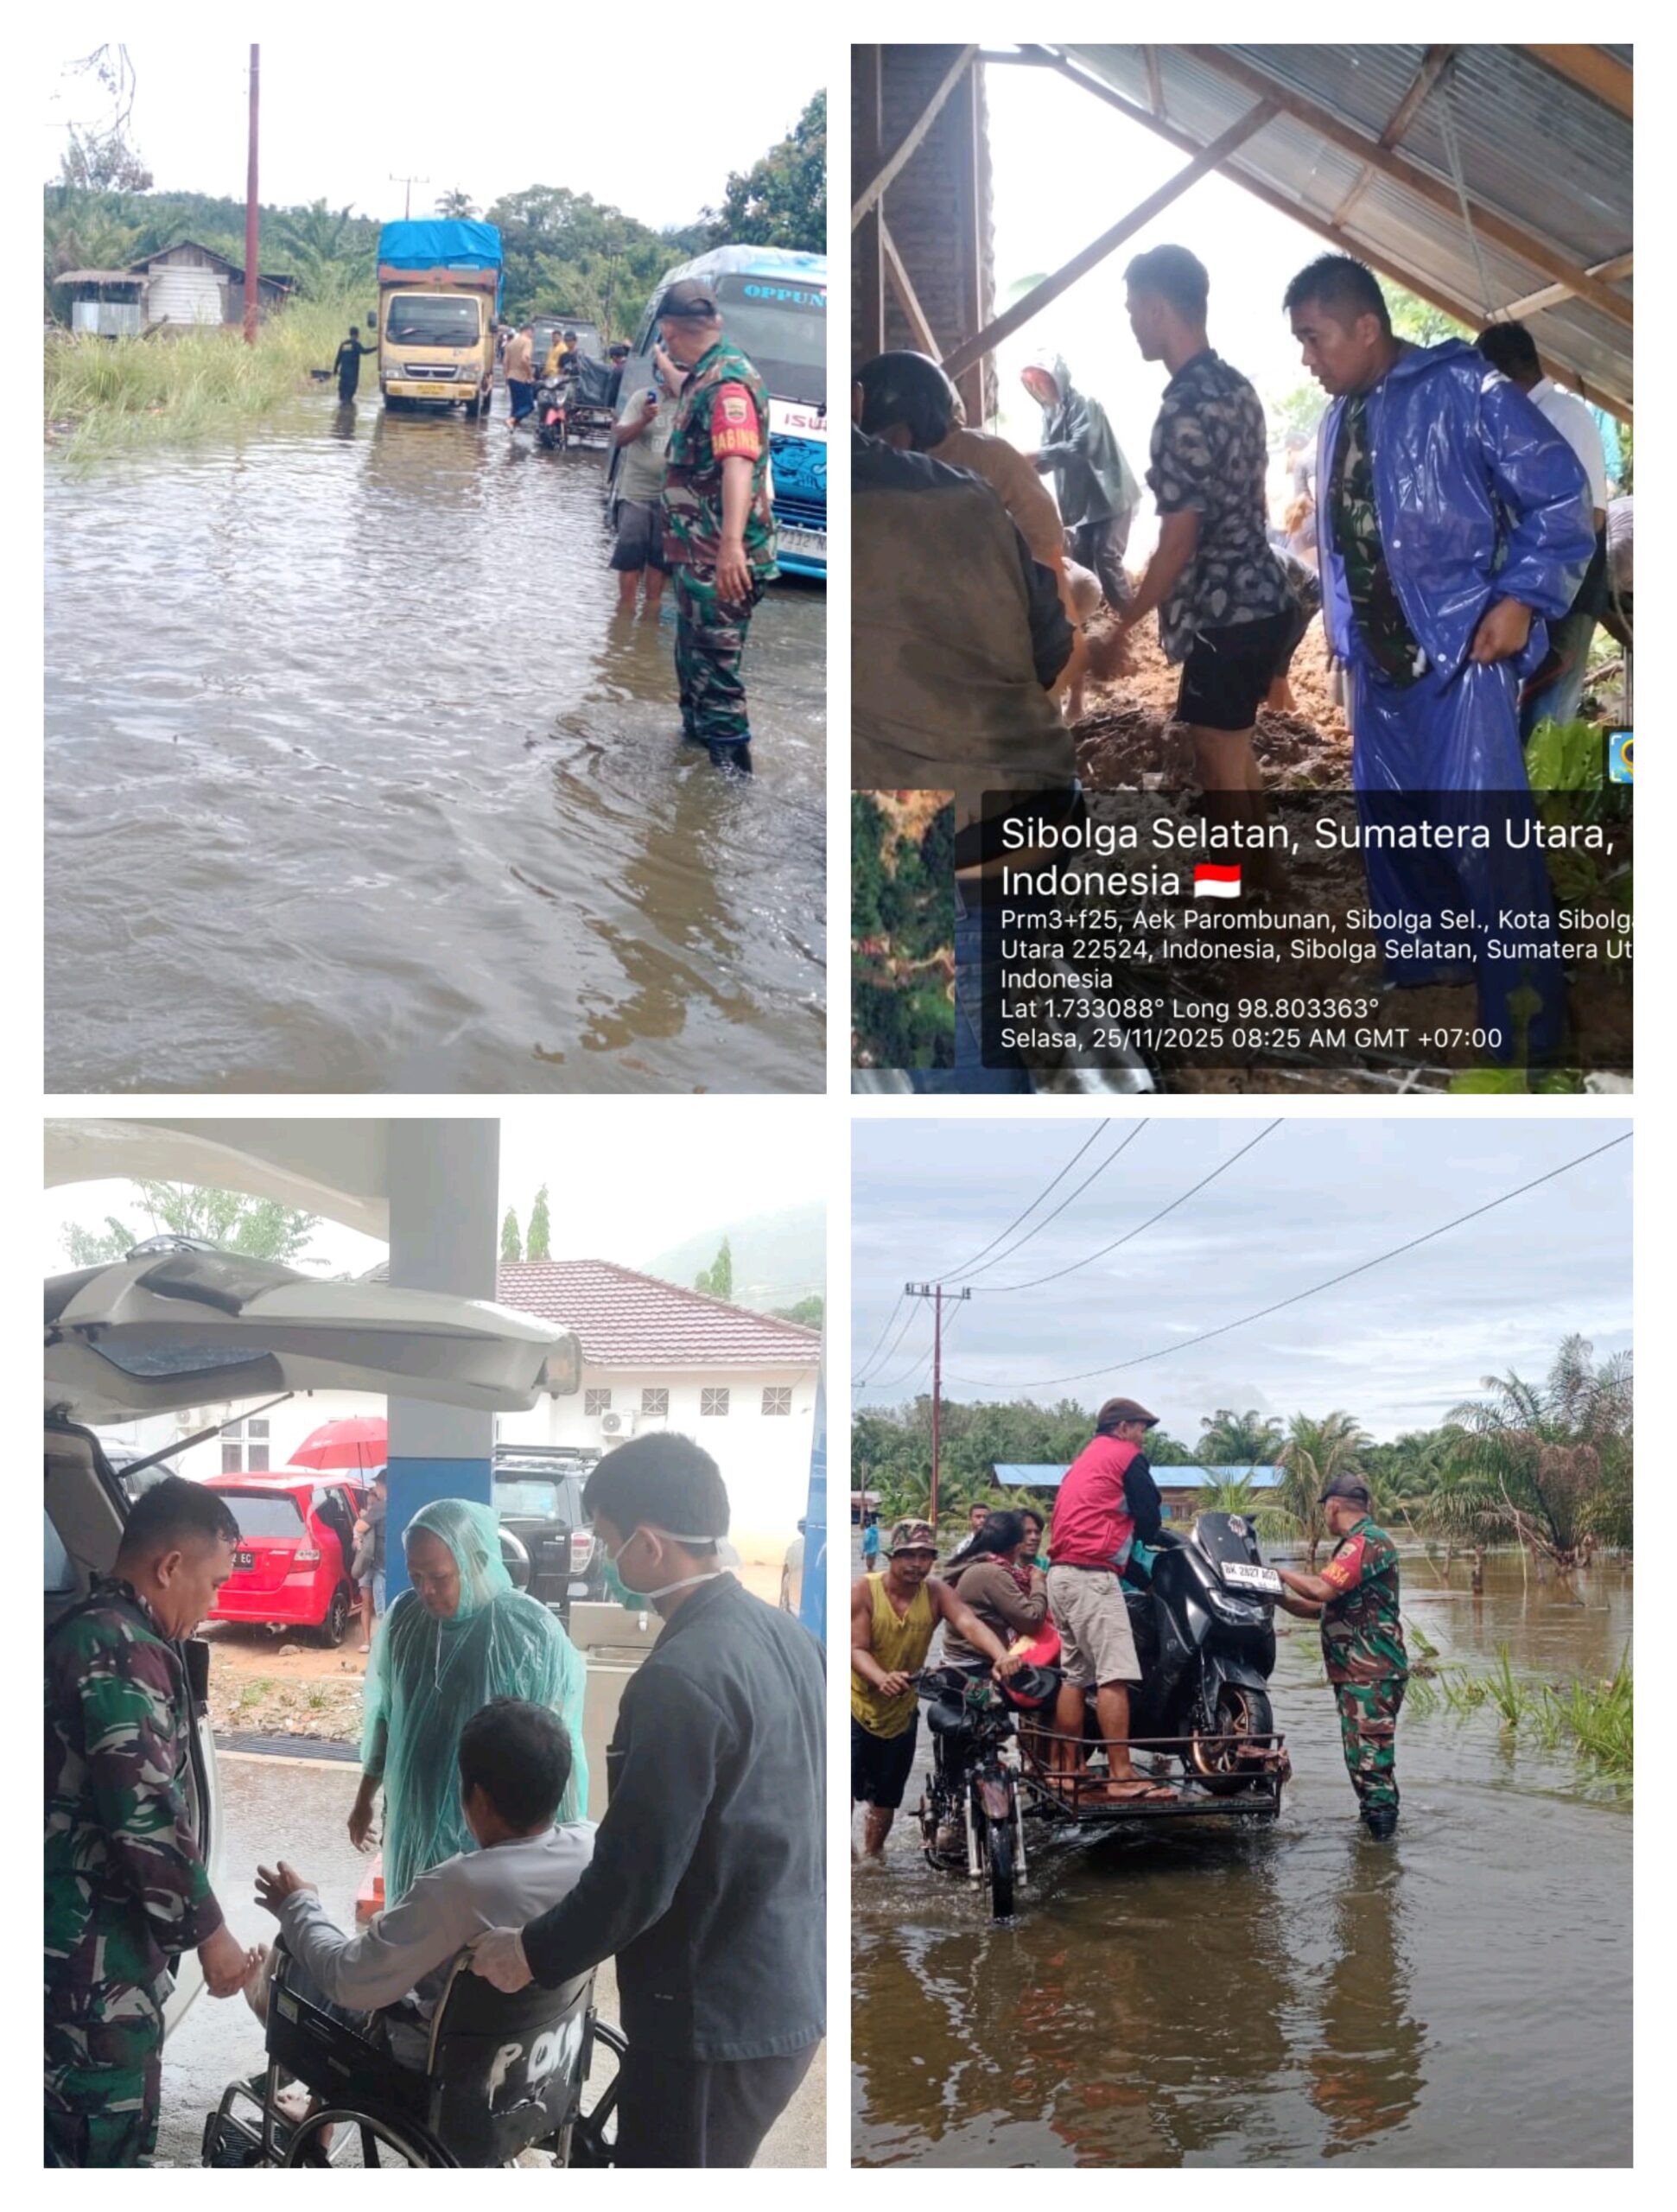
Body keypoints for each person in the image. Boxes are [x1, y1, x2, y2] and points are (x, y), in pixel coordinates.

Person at [466, 1435, 824, 2170]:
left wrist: (528, 1953)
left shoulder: (679, 1679)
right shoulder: (789, 1637)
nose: (602, 1556)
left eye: (604, 1537)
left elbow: (638, 1873)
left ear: (650, 1545)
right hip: (785, 1985)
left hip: (710, 2015)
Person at [1285, 253, 1593, 1062]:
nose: (1306, 359)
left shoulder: (1463, 389)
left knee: (1487, 843)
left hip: (1459, 650)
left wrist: (1521, 596)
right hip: (1381, 666)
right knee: (1396, 822)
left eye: (1314, 340)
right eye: (1299, 344)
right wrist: (1343, 635)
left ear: (1364, 327)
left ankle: (1526, 1026)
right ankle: (1429, 961)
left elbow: (1559, 496)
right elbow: (1347, 539)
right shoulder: (1336, 419)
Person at [47, 1478, 263, 2166]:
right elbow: (144, 1814)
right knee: (97, 2142)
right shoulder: (117, 1648)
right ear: (170, 1566)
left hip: (82, 1948)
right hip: (89, 1970)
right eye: (215, 1583)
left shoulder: (99, 1630)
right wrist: (211, 1935)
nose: (214, 1603)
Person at [251, 1700, 594, 2068]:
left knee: (293, 1955)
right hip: (543, 2058)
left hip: (434, 2074)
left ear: (478, 1800)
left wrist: (299, 1904)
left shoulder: (458, 1889)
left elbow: (347, 1980)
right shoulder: (594, 1851)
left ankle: (255, 1987)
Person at [1115, 244, 1295, 825]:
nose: (1129, 325)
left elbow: (1176, 542)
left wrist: (1122, 623)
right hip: (1263, 600)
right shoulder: (1236, 389)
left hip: (1224, 617)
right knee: (1233, 755)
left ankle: (1228, 901)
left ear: (1155, 309)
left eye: (1130, 310)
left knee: (1216, 770)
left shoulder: (1182, 410)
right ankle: (1266, 884)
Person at [349, 1498, 588, 1906]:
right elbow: (386, 1715)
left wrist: (559, 1863)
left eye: (439, 1576)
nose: (426, 1590)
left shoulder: (527, 1632)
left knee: (479, 1952)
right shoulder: (406, 1620)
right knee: (412, 1939)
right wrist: (364, 1798)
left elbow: (555, 1750)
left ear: (476, 1559)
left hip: (496, 1839)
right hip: (414, 1816)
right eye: (415, 1575)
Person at [657, 279, 779, 773]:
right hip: (699, 558)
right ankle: (691, 798)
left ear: (667, 329)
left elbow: (738, 463)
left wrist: (730, 548)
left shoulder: (728, 385)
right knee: (695, 671)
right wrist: (665, 369)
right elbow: (683, 387)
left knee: (719, 682)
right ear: (717, 324)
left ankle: (730, 802)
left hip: (719, 562)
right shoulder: (706, 376)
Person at [850, 1518, 1022, 1860]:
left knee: (886, 1798)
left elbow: (968, 1622)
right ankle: (848, 1864)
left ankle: (873, 1862)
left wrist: (1001, 1655)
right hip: (855, 1706)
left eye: (925, 1556)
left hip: (901, 1709)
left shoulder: (936, 1592)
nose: (917, 1565)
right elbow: (854, 1648)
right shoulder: (864, 1591)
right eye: (908, 1556)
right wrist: (881, 1677)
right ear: (891, 1556)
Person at [1475, 320, 1610, 739]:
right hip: (1528, 596)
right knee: (1522, 714)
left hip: (1564, 598)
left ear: (1501, 374)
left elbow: (1591, 517)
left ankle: (1543, 805)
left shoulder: (1567, 417)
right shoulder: (1522, 419)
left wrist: (1539, 584)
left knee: (1545, 721)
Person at [1045, 1397, 1175, 1802]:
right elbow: (1149, 1515)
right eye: (1141, 1428)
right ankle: (1122, 1775)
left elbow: (1096, 1525)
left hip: (1061, 1576)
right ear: (1122, 1428)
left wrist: (1139, 1576)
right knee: (1114, 1675)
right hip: (1091, 1579)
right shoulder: (1125, 1456)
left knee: (1075, 1674)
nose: (1143, 1438)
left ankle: (1069, 1770)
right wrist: (1157, 1537)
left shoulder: (1086, 1460)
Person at [1271, 1476, 1408, 1838]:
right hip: (1358, 1671)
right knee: (1360, 1761)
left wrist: (1278, 1573)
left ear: (1333, 1505)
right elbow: (1320, 1606)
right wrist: (1276, 1597)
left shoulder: (1366, 1542)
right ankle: (1374, 1845)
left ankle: (1380, 1861)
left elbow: (1321, 1588)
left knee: (1370, 1763)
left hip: (1371, 1671)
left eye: (1325, 1511)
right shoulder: (1358, 1545)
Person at [1021, 353, 1142, 607]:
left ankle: (1129, 619)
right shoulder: (1049, 416)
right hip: (1085, 508)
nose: (1039, 385)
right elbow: (1046, 461)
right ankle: (1089, 622)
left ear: (1057, 377)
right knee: (1081, 562)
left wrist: (1035, 456)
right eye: (1033, 380)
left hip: (1111, 496)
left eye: (1043, 378)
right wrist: (1018, 465)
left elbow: (1081, 447)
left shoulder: (1084, 404)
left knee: (1106, 555)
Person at [609, 350, 678, 614]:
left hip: (670, 497)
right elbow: (621, 438)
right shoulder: (641, 398)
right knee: (629, 557)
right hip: (636, 493)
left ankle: (651, 615)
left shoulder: (691, 403)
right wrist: (644, 419)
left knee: (659, 561)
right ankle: (625, 614)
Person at [941, 1511, 1049, 1669]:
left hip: (964, 1657)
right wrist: (1038, 1583)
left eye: (1037, 1532)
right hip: (976, 1662)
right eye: (1027, 1533)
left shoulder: (976, 1561)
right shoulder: (992, 1573)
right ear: (1017, 1547)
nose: (1033, 1538)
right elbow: (1031, 1621)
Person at [353, 1468, 388, 1654]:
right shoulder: (387, 1505)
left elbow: (360, 1526)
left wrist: (363, 1518)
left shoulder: (381, 1507)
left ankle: (384, 1649)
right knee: (379, 1606)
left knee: (383, 1612)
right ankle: (375, 1643)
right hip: (378, 1564)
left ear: (383, 1486)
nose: (376, 1488)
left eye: (378, 1485)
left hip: (381, 1565)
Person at [504, 324, 537, 430]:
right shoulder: (527, 342)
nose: (532, 336)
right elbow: (524, 359)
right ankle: (511, 421)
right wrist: (530, 375)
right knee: (529, 406)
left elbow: (505, 362)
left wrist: (507, 377)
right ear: (528, 331)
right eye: (532, 333)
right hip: (521, 378)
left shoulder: (511, 343)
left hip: (511, 377)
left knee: (516, 406)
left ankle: (511, 429)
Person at [333, 325, 376, 404]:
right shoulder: (356, 344)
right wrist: (376, 348)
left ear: (350, 334)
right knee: (349, 396)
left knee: (342, 395)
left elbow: (338, 358)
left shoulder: (344, 344)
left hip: (343, 374)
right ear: (357, 335)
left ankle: (342, 411)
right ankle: (348, 411)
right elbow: (364, 352)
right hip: (352, 375)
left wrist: (335, 370)